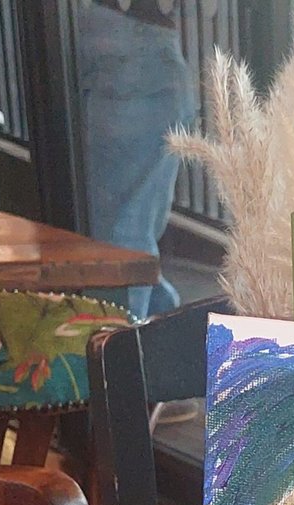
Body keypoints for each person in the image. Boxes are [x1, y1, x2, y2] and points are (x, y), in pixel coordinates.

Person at [76, 0, 203, 319]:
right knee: (136, 217)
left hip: (125, 45)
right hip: (151, 49)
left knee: (122, 227)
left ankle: (121, 329)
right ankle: (152, 321)